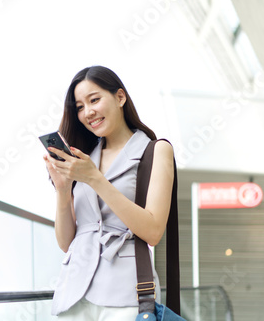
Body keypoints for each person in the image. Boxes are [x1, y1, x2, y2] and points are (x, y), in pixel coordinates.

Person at [43, 65, 175, 320]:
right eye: (79, 107)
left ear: (120, 97)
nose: (87, 112)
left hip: (125, 294)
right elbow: (66, 243)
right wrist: (63, 190)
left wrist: (95, 178)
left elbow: (153, 231)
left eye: (94, 100)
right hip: (73, 294)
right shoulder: (83, 158)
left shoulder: (155, 151)